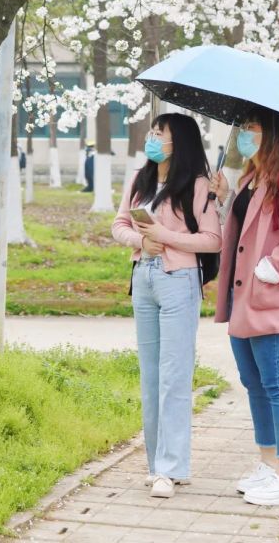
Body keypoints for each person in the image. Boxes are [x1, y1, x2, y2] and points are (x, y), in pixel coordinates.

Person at [210, 107, 279, 507]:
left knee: (278, 386)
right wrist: (223, 200)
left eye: (252, 128)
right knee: (255, 384)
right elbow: (238, 235)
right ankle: (269, 464)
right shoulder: (252, 179)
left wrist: (271, 269)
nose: (244, 134)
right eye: (243, 127)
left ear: (271, 133)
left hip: (272, 299)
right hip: (244, 300)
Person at [112, 113, 222, 499]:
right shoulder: (139, 179)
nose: (153, 138)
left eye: (161, 133)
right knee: (150, 375)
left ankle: (171, 468)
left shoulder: (197, 185)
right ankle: (156, 463)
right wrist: (140, 242)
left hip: (179, 282)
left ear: (181, 142)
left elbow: (212, 240)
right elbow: (119, 224)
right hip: (143, 278)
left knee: (175, 375)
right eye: (153, 132)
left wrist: (166, 236)